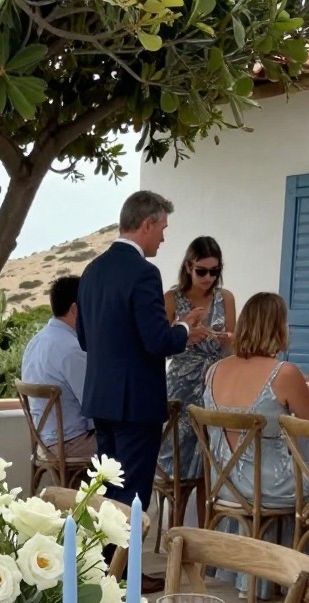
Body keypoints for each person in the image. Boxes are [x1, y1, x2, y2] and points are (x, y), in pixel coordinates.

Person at [76, 190, 206, 520]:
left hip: (101, 400)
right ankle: (121, 555)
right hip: (135, 405)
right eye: (162, 228)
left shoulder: (92, 270)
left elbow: (85, 338)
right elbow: (157, 341)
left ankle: (101, 554)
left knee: (106, 493)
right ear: (147, 224)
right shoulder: (144, 272)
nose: (163, 238)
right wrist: (184, 329)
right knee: (131, 497)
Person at [203, 292, 309, 507]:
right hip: (269, 488)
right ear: (279, 328)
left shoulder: (214, 370)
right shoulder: (284, 373)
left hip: (222, 485)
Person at [159, 236, 236, 518]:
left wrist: (227, 338)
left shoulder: (225, 298)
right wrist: (185, 337)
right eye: (202, 271)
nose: (208, 278)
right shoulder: (172, 298)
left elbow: (233, 346)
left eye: (214, 271)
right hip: (181, 385)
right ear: (188, 267)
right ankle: (174, 528)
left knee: (209, 463)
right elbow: (159, 345)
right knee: (178, 463)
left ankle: (206, 532)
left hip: (215, 383)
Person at [20, 275, 96, 460]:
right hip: (71, 444)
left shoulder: (36, 341)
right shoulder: (72, 348)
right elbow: (94, 407)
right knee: (134, 441)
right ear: (75, 309)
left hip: (43, 443)